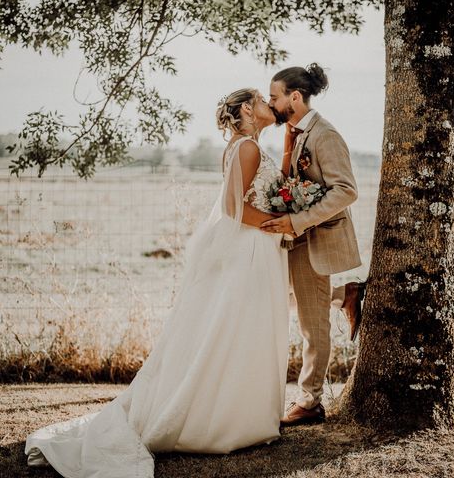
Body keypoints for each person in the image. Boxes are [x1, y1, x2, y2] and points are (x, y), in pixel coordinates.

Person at [24, 88, 290, 477]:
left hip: (251, 247)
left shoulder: (238, 145)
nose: (272, 106)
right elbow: (235, 208)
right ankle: (225, 419)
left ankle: (234, 412)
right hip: (250, 247)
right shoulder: (247, 147)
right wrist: (277, 223)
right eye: (264, 101)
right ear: (248, 109)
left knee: (229, 329)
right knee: (238, 328)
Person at [262, 63, 365, 427]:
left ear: (294, 96)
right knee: (281, 302)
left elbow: (347, 190)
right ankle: (345, 295)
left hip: (314, 240)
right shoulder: (294, 132)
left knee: (311, 322)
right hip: (295, 240)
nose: (269, 102)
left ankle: (310, 401)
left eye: (274, 96)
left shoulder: (325, 135)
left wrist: (298, 220)